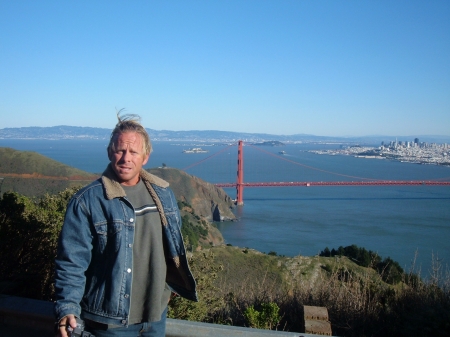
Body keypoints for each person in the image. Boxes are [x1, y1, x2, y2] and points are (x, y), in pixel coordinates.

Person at [54, 113, 197, 337]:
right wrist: (67, 307)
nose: (126, 158)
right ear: (110, 152)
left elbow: (173, 246)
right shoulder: (87, 201)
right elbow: (72, 261)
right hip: (110, 321)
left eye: (133, 152)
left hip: (155, 315)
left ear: (146, 156)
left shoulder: (163, 194)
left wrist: (169, 288)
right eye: (120, 150)